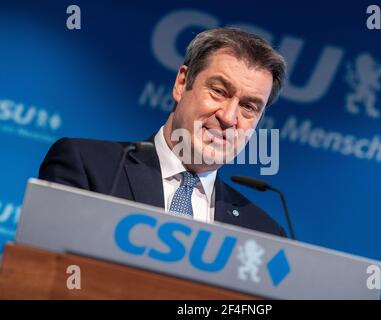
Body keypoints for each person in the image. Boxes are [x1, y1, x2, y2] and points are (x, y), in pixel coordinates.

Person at [39, 27, 287, 237]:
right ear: (182, 83)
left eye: (248, 107)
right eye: (219, 92)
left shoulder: (263, 233)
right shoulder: (90, 167)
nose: (228, 117)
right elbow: (45, 271)